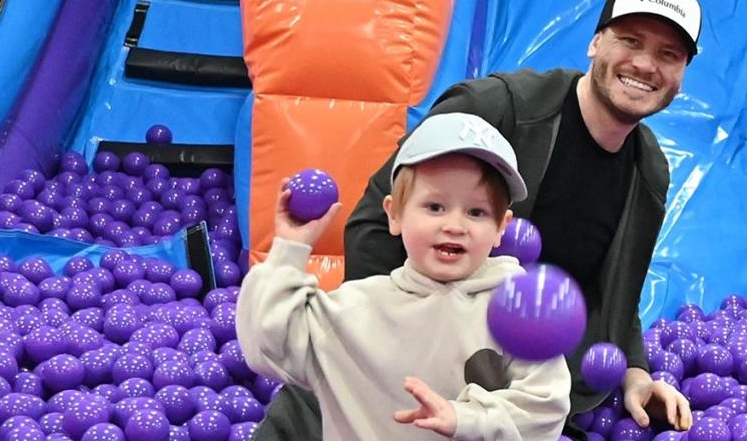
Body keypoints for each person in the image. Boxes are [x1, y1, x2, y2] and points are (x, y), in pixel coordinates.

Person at [253, 0, 699, 441]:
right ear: (594, 44)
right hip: (404, 361)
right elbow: (373, 223)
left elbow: (614, 287)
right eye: (630, 40)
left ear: (682, 74)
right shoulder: (493, 110)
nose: (646, 64)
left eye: (668, 54)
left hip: (516, 386)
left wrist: (633, 371)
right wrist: (383, 351)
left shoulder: (648, 170)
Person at [237, 113, 571, 440]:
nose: (454, 225)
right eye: (435, 207)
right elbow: (267, 345)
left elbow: (546, 407)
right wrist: (289, 250)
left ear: (501, 228)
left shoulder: (517, 313)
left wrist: (465, 418)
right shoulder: (357, 310)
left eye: (476, 212)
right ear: (394, 215)